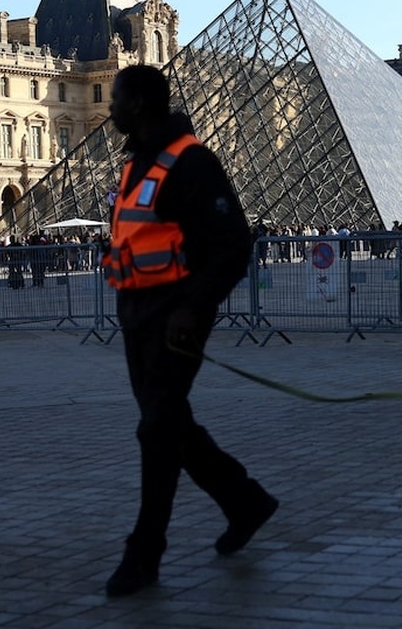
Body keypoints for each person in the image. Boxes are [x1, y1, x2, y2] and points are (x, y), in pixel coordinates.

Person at [101, 64, 276, 598]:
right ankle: (245, 501)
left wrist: (194, 309)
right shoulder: (136, 166)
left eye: (116, 100)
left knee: (156, 431)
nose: (109, 110)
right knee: (173, 427)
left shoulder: (193, 162)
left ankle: (145, 554)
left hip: (177, 320)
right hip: (138, 317)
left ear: (140, 106)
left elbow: (233, 245)